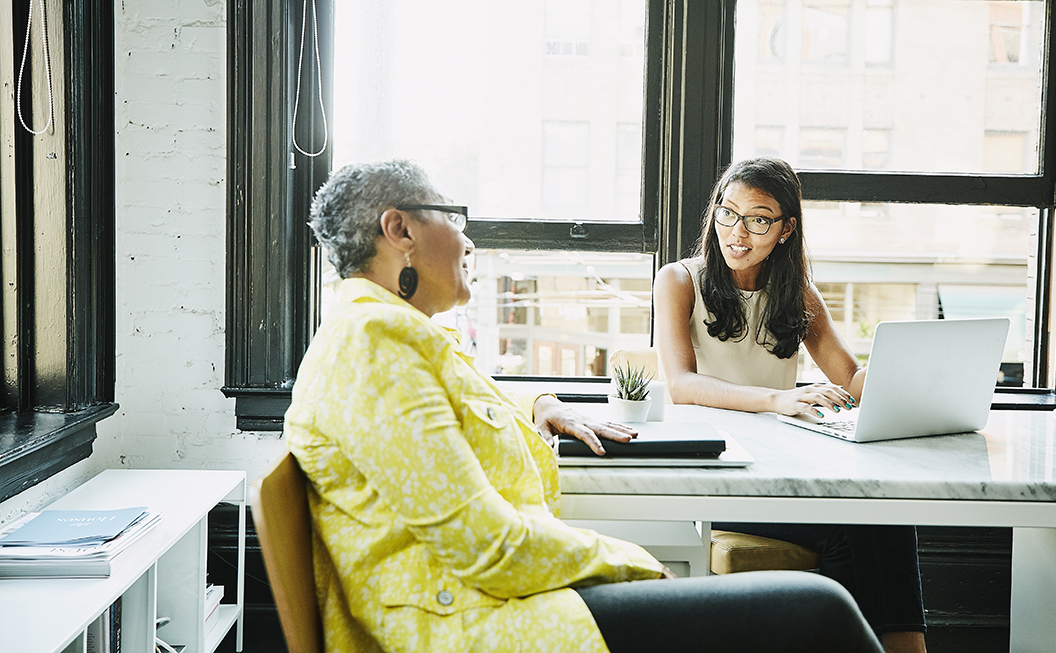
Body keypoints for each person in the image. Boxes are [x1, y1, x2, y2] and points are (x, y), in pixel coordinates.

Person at [283, 160, 885, 653]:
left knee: (822, 597)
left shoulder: (390, 332)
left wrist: (542, 401)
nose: (468, 239)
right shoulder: (376, 345)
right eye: (454, 218)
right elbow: (483, 547)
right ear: (400, 231)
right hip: (471, 621)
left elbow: (469, 399)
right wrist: (632, 563)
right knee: (820, 608)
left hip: (488, 599)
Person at [653, 157, 928, 653]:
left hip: (779, 472)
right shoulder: (678, 281)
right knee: (863, 527)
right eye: (727, 213)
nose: (738, 232)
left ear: (785, 229)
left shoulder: (797, 292)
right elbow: (682, 385)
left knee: (879, 514)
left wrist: (920, 373)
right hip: (716, 473)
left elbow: (851, 379)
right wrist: (778, 400)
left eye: (758, 219)